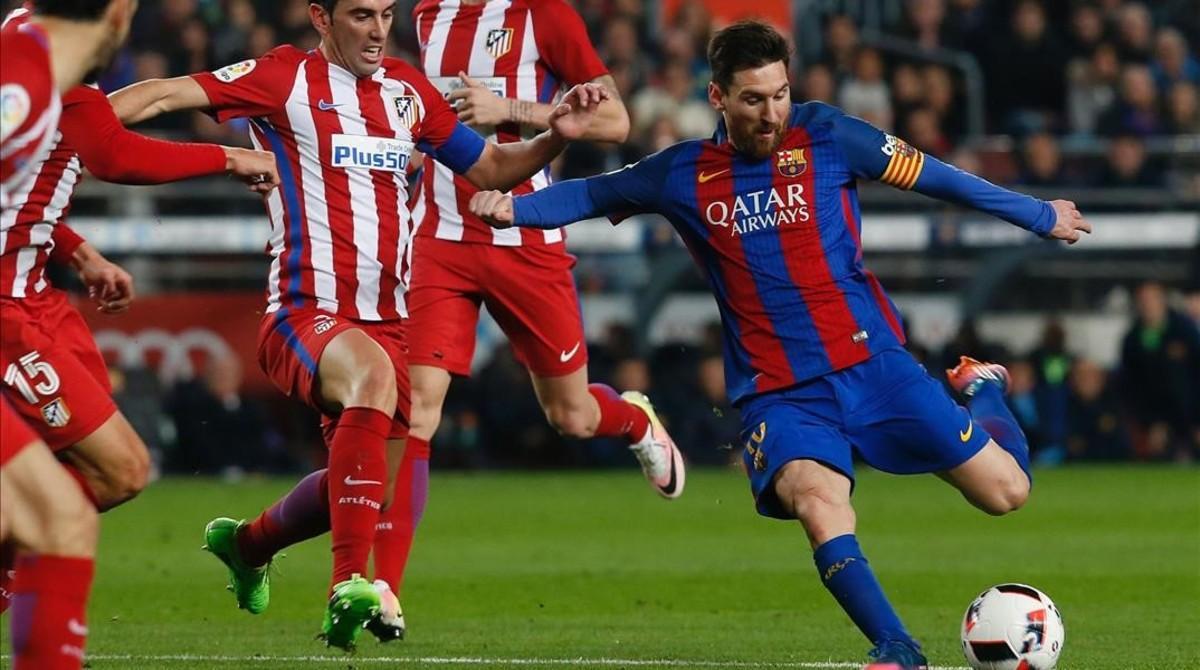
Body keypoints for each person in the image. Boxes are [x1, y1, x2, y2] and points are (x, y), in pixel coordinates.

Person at [469, 21, 1092, 670]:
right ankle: (898, 649)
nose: (771, 115)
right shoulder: (682, 173)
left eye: (780, 95)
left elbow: (938, 177)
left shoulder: (829, 134)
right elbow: (592, 193)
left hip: (873, 366)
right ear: (718, 97)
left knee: (1006, 494)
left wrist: (1038, 215)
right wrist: (516, 210)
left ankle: (985, 389)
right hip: (781, 392)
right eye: (753, 100)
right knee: (819, 502)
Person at [108, 0, 612, 650]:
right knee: (371, 388)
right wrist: (65, 116)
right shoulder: (283, 78)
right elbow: (164, 94)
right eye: (360, 15)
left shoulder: (408, 91)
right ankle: (349, 586)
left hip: (389, 325)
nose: (378, 30)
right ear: (321, 17)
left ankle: (248, 543)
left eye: (385, 14)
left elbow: (490, 170)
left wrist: (555, 137)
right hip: (304, 313)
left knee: (367, 486)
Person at [390, 0, 685, 628]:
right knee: (416, 410)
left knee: (571, 416)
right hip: (441, 236)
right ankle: (382, 590)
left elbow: (614, 121)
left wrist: (514, 113)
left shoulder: (543, 14)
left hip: (526, 232)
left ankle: (632, 422)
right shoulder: (425, 15)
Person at [1, 2, 139, 667]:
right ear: (116, 12)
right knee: (68, 507)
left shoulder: (29, 72)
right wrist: (227, 158)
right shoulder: (22, 91)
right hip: (11, 311)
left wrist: (78, 249)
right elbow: (115, 151)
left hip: (33, 298)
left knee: (65, 509)